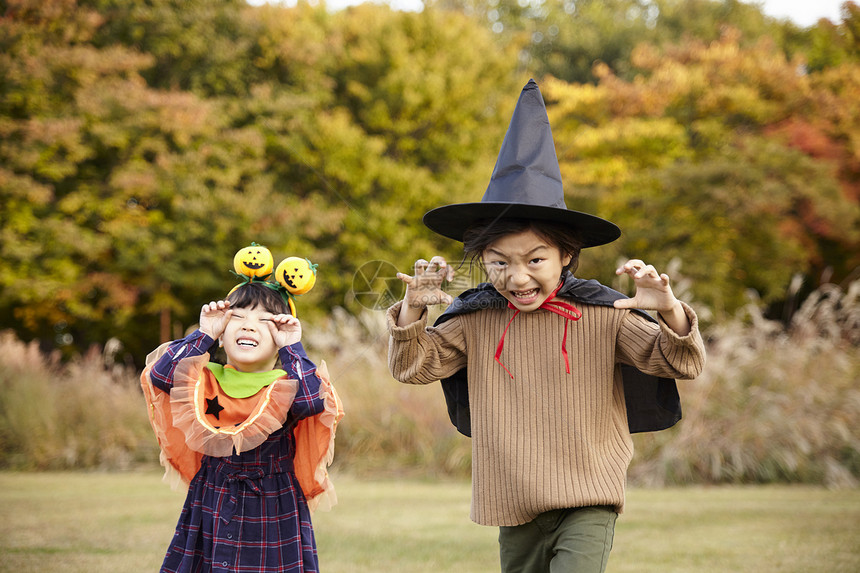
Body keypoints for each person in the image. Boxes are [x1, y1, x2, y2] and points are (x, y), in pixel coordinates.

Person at [386, 80, 706, 572]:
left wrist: (667, 311)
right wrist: (414, 312)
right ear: (482, 262)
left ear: (567, 256)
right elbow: (413, 367)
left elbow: (681, 361)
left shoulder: (604, 314)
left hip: (589, 496)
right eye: (497, 263)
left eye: (535, 259)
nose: (516, 277)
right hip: (513, 502)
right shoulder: (476, 318)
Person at [141, 276, 343, 573]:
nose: (249, 325)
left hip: (274, 503)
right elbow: (162, 376)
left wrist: (293, 349)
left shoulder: (286, 384)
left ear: (279, 339)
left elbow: (312, 402)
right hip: (213, 493)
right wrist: (205, 332)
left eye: (265, 321)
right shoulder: (204, 380)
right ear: (223, 333)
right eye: (237, 317)